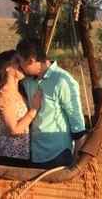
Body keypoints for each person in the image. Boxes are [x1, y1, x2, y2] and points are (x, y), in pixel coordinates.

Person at [16, 38, 86, 169]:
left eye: (20, 62)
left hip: (58, 156)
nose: (19, 66)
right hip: (34, 154)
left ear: (31, 60)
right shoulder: (27, 81)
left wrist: (76, 164)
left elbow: (78, 126)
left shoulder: (62, 81)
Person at [0, 49, 42, 167]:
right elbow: (14, 130)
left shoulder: (20, 88)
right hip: (10, 155)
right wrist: (33, 110)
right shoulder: (3, 94)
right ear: (7, 67)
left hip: (23, 153)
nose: (22, 65)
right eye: (17, 61)